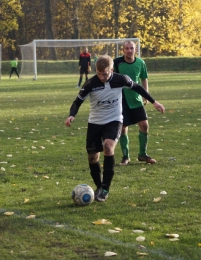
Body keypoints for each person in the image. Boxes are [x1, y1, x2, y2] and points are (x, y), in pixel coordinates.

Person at [65, 55, 165, 202]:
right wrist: (71, 115)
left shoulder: (121, 79)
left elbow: (137, 87)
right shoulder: (90, 84)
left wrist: (154, 102)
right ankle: (99, 186)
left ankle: (105, 188)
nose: (102, 77)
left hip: (114, 120)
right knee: (93, 158)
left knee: (108, 147)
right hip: (95, 123)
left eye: (105, 74)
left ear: (111, 70)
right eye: (99, 74)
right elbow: (77, 102)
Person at [114, 40, 155, 165]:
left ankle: (142, 154)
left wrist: (146, 95)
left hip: (136, 99)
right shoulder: (117, 62)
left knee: (144, 125)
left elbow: (144, 78)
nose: (129, 50)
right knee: (123, 128)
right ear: (123, 50)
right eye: (127, 48)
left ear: (135, 50)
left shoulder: (141, 63)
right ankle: (125, 156)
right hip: (122, 100)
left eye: (131, 48)